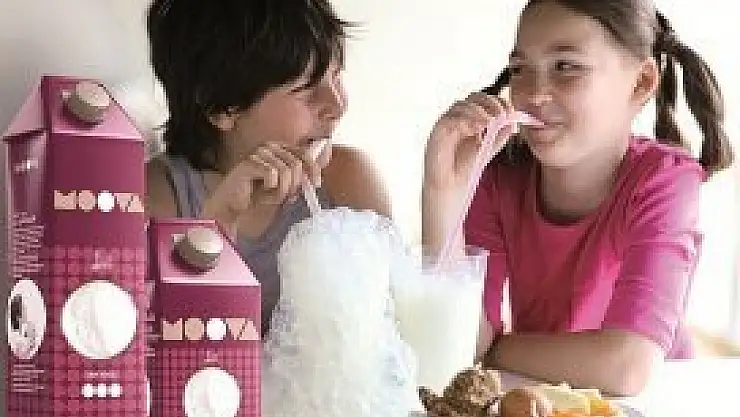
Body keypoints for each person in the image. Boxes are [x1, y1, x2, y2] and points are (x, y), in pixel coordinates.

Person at [422, 0, 732, 396]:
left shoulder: (665, 180)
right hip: (542, 396)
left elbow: (626, 367)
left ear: (640, 83)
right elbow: (457, 341)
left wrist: (494, 349)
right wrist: (444, 192)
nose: (533, 94)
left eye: (566, 66)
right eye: (520, 69)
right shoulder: (499, 177)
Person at [143, 0, 391, 335]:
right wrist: (219, 222)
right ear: (222, 107)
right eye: (306, 89)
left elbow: (401, 334)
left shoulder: (350, 184)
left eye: (336, 76)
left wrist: (439, 191)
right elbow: (164, 351)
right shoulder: (159, 202)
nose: (337, 105)